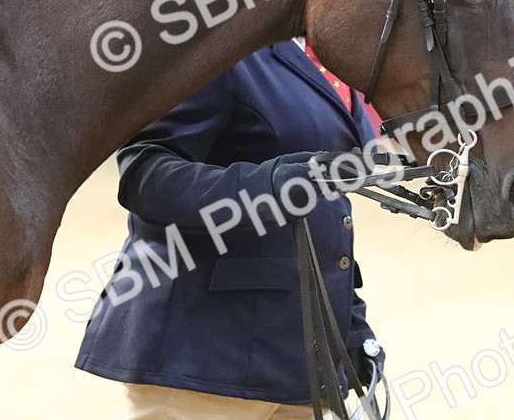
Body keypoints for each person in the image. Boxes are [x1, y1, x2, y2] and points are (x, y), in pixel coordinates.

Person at [76, 39, 383, 419]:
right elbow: (145, 175)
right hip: (202, 358)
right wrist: (268, 187)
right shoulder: (218, 44)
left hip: (297, 364)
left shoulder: (331, 58)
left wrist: (351, 329)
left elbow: (326, 213)